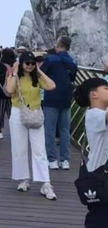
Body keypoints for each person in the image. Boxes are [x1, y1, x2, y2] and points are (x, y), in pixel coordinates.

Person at [6, 52, 57, 200]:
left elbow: (52, 86)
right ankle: (23, 178)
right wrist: (15, 72)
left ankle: (45, 183)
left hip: (35, 114)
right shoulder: (15, 77)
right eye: (27, 62)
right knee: (19, 148)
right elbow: (9, 91)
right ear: (21, 63)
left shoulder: (37, 77)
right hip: (17, 112)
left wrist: (39, 71)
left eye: (32, 63)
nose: (30, 65)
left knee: (39, 149)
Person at [73, 78, 108, 227]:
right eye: (106, 88)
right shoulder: (94, 114)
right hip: (100, 177)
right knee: (100, 217)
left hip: (101, 174)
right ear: (94, 94)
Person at [42, 36, 78, 170]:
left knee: (50, 130)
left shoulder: (50, 59)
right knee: (64, 130)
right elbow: (73, 77)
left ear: (58, 45)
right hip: (66, 99)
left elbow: (41, 74)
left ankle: (52, 160)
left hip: (51, 97)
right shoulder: (72, 62)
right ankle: (65, 160)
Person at [0, 48, 16, 139]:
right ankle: (16, 132)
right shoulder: (15, 66)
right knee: (11, 113)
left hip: (0, 92)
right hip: (12, 93)